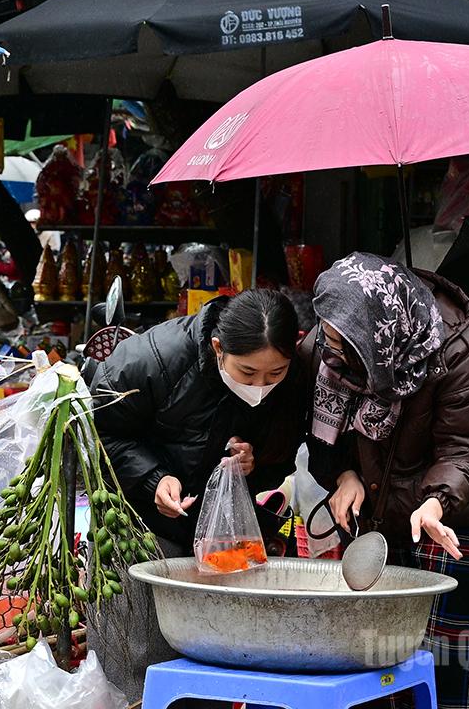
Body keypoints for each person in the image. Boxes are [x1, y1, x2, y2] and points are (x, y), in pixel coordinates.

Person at [303, 252, 469, 709]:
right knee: (375, 668)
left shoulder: (458, 351)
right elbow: (319, 429)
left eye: (345, 343)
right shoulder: (334, 342)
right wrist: (343, 474)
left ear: (380, 332)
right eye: (328, 337)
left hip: (456, 520)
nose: (330, 351)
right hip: (379, 514)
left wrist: (436, 502)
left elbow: (467, 449)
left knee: (444, 675)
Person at [86, 289, 306, 702]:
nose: (261, 385)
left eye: (274, 374)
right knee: (142, 655)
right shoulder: (154, 359)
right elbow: (98, 433)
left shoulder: (293, 381)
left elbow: (284, 455)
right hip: (141, 527)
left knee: (217, 662)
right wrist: (154, 480)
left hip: (225, 541)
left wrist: (255, 464)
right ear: (217, 348)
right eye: (247, 373)